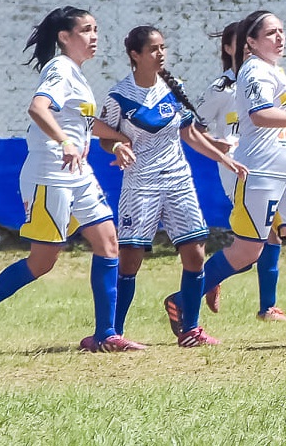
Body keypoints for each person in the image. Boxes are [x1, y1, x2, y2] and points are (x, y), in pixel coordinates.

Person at [0, 7, 145, 354]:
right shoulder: (60, 69)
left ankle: (106, 334)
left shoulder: (78, 75)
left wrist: (117, 140)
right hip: (49, 172)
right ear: (64, 37)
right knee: (43, 261)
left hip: (78, 173)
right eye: (86, 30)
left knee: (108, 243)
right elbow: (38, 108)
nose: (94, 36)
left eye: (96, 29)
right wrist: (66, 142)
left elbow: (85, 123)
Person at [193, 10, 286, 340]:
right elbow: (253, 117)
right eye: (270, 33)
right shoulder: (242, 77)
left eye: (281, 31)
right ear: (246, 43)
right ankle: (186, 297)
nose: (279, 37)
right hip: (251, 170)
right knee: (251, 249)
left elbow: (280, 118)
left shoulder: (275, 72)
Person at [91, 26, 246, 347]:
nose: (161, 54)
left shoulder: (173, 89)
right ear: (135, 55)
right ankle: (113, 332)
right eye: (153, 49)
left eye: (163, 48)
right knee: (130, 258)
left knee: (195, 253)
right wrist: (119, 144)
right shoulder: (120, 95)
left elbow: (189, 135)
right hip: (141, 183)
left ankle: (190, 329)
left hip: (178, 180)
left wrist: (224, 157)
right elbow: (101, 132)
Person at [193, 21, 286, 324]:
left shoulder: (270, 77)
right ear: (228, 48)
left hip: (271, 165)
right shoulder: (222, 89)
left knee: (271, 236)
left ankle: (267, 306)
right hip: (238, 170)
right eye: (242, 44)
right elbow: (192, 127)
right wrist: (215, 144)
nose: (249, 49)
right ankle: (207, 280)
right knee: (254, 244)